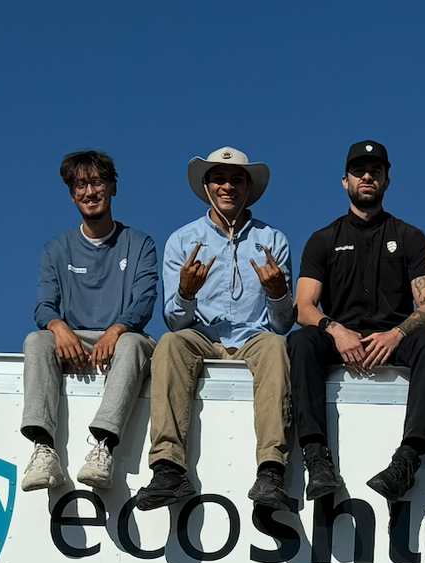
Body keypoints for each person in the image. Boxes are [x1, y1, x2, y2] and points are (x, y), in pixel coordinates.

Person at [140, 146, 295, 512]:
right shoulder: (181, 240)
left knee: (276, 347)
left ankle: (271, 470)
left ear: (248, 187)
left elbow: (282, 325)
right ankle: (168, 468)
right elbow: (176, 320)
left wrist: (278, 295)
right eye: (219, 179)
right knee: (170, 343)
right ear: (207, 187)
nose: (228, 186)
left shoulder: (274, 240)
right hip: (202, 336)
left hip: (253, 338)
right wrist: (186, 293)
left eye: (237, 179)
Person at [289, 139, 425, 504]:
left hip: (393, 337)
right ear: (346, 181)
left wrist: (396, 333)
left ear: (387, 180)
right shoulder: (323, 239)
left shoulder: (410, 237)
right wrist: (336, 330)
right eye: (359, 172)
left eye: (376, 171)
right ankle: (317, 457)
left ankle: (408, 458)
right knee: (300, 341)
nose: (367, 177)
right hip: (340, 338)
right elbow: (304, 306)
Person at [20, 149, 158, 496]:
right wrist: (58, 327)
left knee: (131, 342)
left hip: (126, 336)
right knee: (36, 340)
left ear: (113, 188)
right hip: (76, 338)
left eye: (97, 182)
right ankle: (43, 448)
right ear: (72, 195)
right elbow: (44, 306)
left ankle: (102, 448)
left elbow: (143, 304)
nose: (89, 192)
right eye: (80, 185)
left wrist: (117, 328)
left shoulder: (139, 243)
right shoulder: (57, 248)